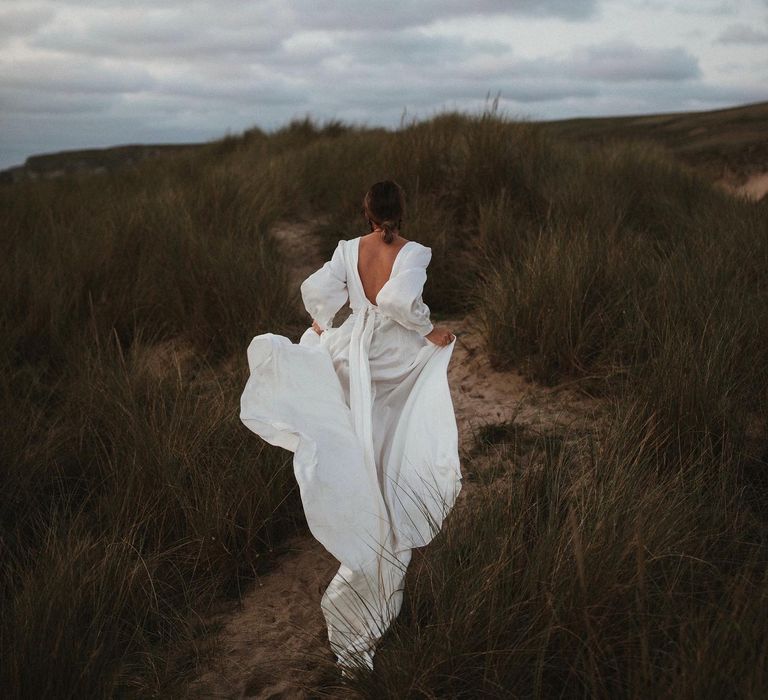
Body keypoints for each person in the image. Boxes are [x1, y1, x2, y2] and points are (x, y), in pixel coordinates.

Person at [239, 179, 462, 676]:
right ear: (402, 212)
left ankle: (365, 521)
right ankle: (384, 518)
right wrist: (431, 331)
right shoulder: (414, 252)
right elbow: (403, 303)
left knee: (358, 438)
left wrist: (323, 323)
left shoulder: (347, 250)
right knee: (391, 435)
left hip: (353, 349)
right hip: (390, 353)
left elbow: (316, 290)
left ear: (366, 212)